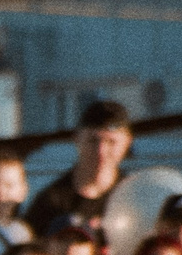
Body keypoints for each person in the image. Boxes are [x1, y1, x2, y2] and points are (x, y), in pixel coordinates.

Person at [24, 99, 134, 237]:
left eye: (111, 142)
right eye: (93, 140)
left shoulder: (135, 197)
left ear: (127, 142)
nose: (101, 150)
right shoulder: (50, 202)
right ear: (77, 139)